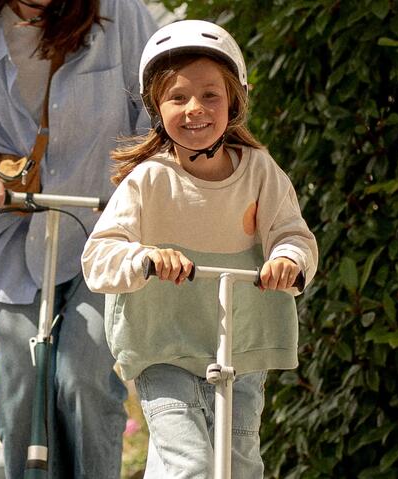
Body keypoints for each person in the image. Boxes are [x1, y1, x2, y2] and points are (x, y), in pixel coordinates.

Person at [0, 0, 156, 476]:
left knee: (83, 377)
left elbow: (156, 109)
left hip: (106, 236)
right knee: (20, 394)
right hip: (15, 241)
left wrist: (145, 187)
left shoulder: (118, 13)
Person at [79, 20, 318, 478]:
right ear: (155, 106)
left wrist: (288, 260)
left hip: (242, 344)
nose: (195, 109)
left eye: (210, 95)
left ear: (234, 102)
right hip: (164, 346)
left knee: (240, 464)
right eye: (178, 97)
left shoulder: (260, 173)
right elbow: (99, 259)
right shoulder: (149, 180)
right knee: (190, 464)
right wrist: (144, 258)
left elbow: (294, 235)